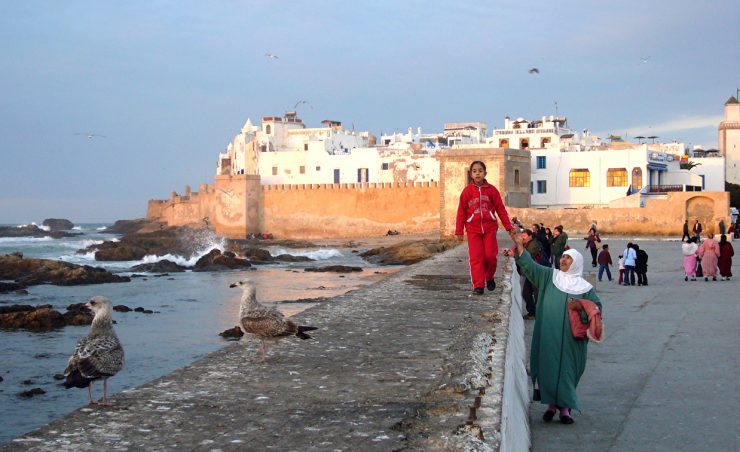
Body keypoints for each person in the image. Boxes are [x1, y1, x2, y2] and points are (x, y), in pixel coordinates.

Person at [510, 229, 602, 425]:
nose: (563, 261)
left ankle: (565, 408)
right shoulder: (550, 276)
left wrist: (581, 307)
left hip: (572, 340)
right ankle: (551, 405)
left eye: (568, 259)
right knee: (548, 367)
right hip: (549, 335)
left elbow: (597, 308)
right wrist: (519, 246)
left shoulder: (586, 288)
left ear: (576, 263)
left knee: (568, 370)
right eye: (563, 258)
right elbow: (531, 267)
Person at [455, 160, 514, 295]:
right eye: (474, 171)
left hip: (489, 228)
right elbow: (461, 212)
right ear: (470, 174)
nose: (477, 174)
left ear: (485, 173)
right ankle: (478, 286)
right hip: (473, 229)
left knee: (490, 256)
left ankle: (489, 277)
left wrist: (508, 226)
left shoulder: (492, 191)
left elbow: (500, 209)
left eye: (480, 171)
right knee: (476, 258)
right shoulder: (467, 192)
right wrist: (459, 230)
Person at [521, 229, 543, 319]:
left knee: (537, 294)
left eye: (524, 235)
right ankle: (532, 312)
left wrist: (520, 247)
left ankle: (537, 313)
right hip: (529, 273)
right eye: (522, 236)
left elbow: (528, 256)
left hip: (536, 273)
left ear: (530, 236)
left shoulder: (534, 244)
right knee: (526, 293)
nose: (522, 237)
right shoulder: (525, 244)